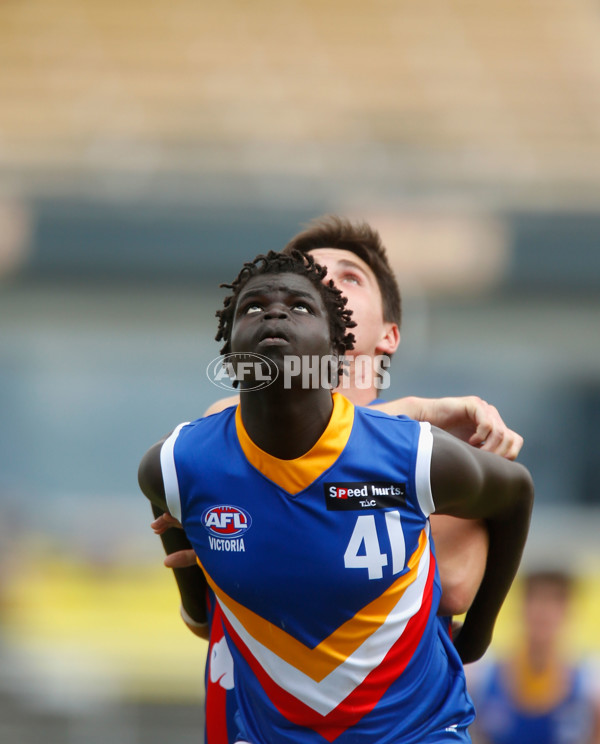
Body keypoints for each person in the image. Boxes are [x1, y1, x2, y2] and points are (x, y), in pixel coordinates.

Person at [149, 216, 524, 743]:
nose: (324, 283)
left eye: (348, 277)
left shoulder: (427, 460)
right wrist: (412, 409)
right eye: (309, 276)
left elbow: (457, 588)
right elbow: (199, 616)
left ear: (388, 334)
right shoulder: (223, 430)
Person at [469, 570, 600, 744]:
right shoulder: (480, 678)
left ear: (568, 611)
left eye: (555, 601)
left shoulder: (590, 687)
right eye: (535, 599)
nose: (544, 611)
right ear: (522, 607)